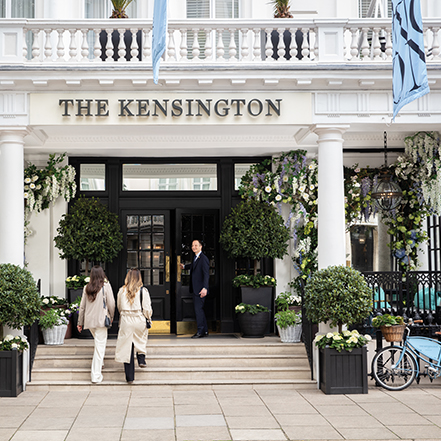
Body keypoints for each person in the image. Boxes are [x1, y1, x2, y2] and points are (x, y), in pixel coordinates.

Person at [77, 265, 115, 384]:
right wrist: (111, 317)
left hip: (90, 321)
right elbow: (112, 304)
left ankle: (101, 363)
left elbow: (82, 306)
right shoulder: (106, 286)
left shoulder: (87, 287)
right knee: (99, 347)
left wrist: (80, 323)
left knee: (98, 344)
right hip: (101, 321)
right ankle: (95, 376)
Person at [115, 268, 152, 384]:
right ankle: (141, 358)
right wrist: (148, 318)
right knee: (141, 338)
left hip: (126, 320)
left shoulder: (121, 291)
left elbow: (119, 307)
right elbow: (147, 309)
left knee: (127, 348)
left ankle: (129, 377)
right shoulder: (143, 291)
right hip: (139, 318)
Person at [181, 239, 210, 338]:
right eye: (193, 245)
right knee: (200, 310)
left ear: (201, 246)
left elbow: (206, 275)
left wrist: (205, 288)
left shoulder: (204, 258)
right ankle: (205, 331)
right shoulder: (196, 258)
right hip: (195, 289)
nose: (194, 247)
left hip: (200, 290)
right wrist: (184, 266)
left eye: (196, 245)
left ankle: (200, 331)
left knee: (198, 310)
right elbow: (193, 266)